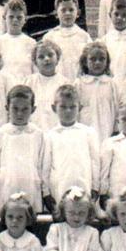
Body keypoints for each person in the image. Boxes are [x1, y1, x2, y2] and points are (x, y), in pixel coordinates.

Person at [41, 84, 100, 217]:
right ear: (54, 108)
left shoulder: (88, 133)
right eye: (63, 107)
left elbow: (95, 163)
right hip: (60, 187)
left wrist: (95, 188)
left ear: (80, 108)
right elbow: (46, 167)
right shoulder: (50, 135)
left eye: (72, 107)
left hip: (84, 184)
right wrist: (46, 193)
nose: (68, 111)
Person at [0, 85, 45, 214]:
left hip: (30, 184)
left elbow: (41, 163)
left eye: (25, 109)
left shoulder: (38, 134)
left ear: (33, 109)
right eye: (15, 109)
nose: (19, 113)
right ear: (7, 109)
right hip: (7, 184)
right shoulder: (0, 134)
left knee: (29, 217)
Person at [43, 0, 91, 80]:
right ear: (56, 13)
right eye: (63, 10)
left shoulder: (84, 36)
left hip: (78, 81)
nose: (67, 13)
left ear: (78, 13)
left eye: (71, 10)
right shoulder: (50, 37)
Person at [23, 40, 68, 132]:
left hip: (57, 131)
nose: (46, 59)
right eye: (41, 57)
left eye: (50, 55)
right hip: (34, 130)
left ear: (58, 58)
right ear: (35, 62)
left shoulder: (64, 83)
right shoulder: (28, 82)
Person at [76, 41, 118, 140]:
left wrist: (116, 130)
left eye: (102, 59)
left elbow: (116, 108)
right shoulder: (79, 84)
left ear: (107, 62)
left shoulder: (111, 84)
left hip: (107, 130)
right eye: (93, 59)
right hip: (85, 132)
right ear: (85, 62)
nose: (97, 62)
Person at [0, 0, 36, 81]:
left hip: (25, 86)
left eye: (19, 17)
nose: (15, 20)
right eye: (11, 17)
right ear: (4, 18)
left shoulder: (31, 43)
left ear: (25, 19)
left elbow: (34, 70)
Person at [102, 0, 126, 79]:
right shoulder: (104, 40)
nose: (120, 18)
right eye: (116, 14)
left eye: (124, 15)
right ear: (110, 15)